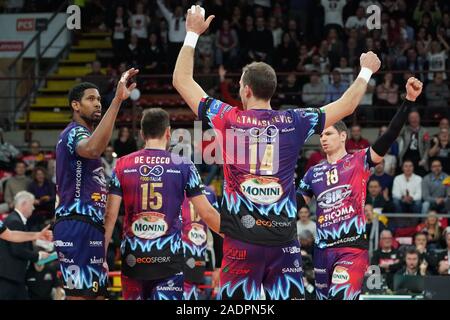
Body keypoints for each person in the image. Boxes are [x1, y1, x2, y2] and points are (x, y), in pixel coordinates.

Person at [172, 4, 380, 300]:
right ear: (271, 90)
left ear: (245, 90)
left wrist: (192, 33)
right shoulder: (294, 121)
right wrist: (365, 71)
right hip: (283, 239)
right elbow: (347, 105)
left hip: (241, 240)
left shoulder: (227, 117)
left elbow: (181, 81)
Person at [298, 77, 423, 299]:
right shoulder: (313, 172)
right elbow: (294, 205)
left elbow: (388, 136)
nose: (323, 139)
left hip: (351, 247)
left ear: (343, 136)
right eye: (321, 135)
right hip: (322, 251)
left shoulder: (359, 160)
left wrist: (408, 101)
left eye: (328, 134)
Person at [104, 108, 220, 300]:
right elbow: (207, 213)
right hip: (169, 260)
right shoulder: (184, 165)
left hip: (133, 259)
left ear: (142, 134)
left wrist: (101, 256)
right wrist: (237, 238)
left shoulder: (122, 164)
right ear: (168, 132)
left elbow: (110, 216)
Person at [53, 68, 138, 300]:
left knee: (98, 295)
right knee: (79, 296)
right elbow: (92, 148)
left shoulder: (86, 135)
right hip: (75, 225)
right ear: (75, 106)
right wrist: (117, 102)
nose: (98, 103)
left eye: (100, 99)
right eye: (91, 99)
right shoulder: (73, 133)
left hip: (90, 227)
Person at [0, 191, 50, 300]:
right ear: (24, 204)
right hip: (9, 275)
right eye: (31, 204)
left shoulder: (12, 220)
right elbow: (16, 249)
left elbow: (11, 235)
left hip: (14, 277)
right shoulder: (14, 221)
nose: (33, 208)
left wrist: (37, 235)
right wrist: (37, 256)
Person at [182, 185, 219, 300]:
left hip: (177, 255)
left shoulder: (171, 188)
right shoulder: (209, 192)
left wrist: (218, 266)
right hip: (197, 256)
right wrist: (219, 265)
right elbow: (218, 230)